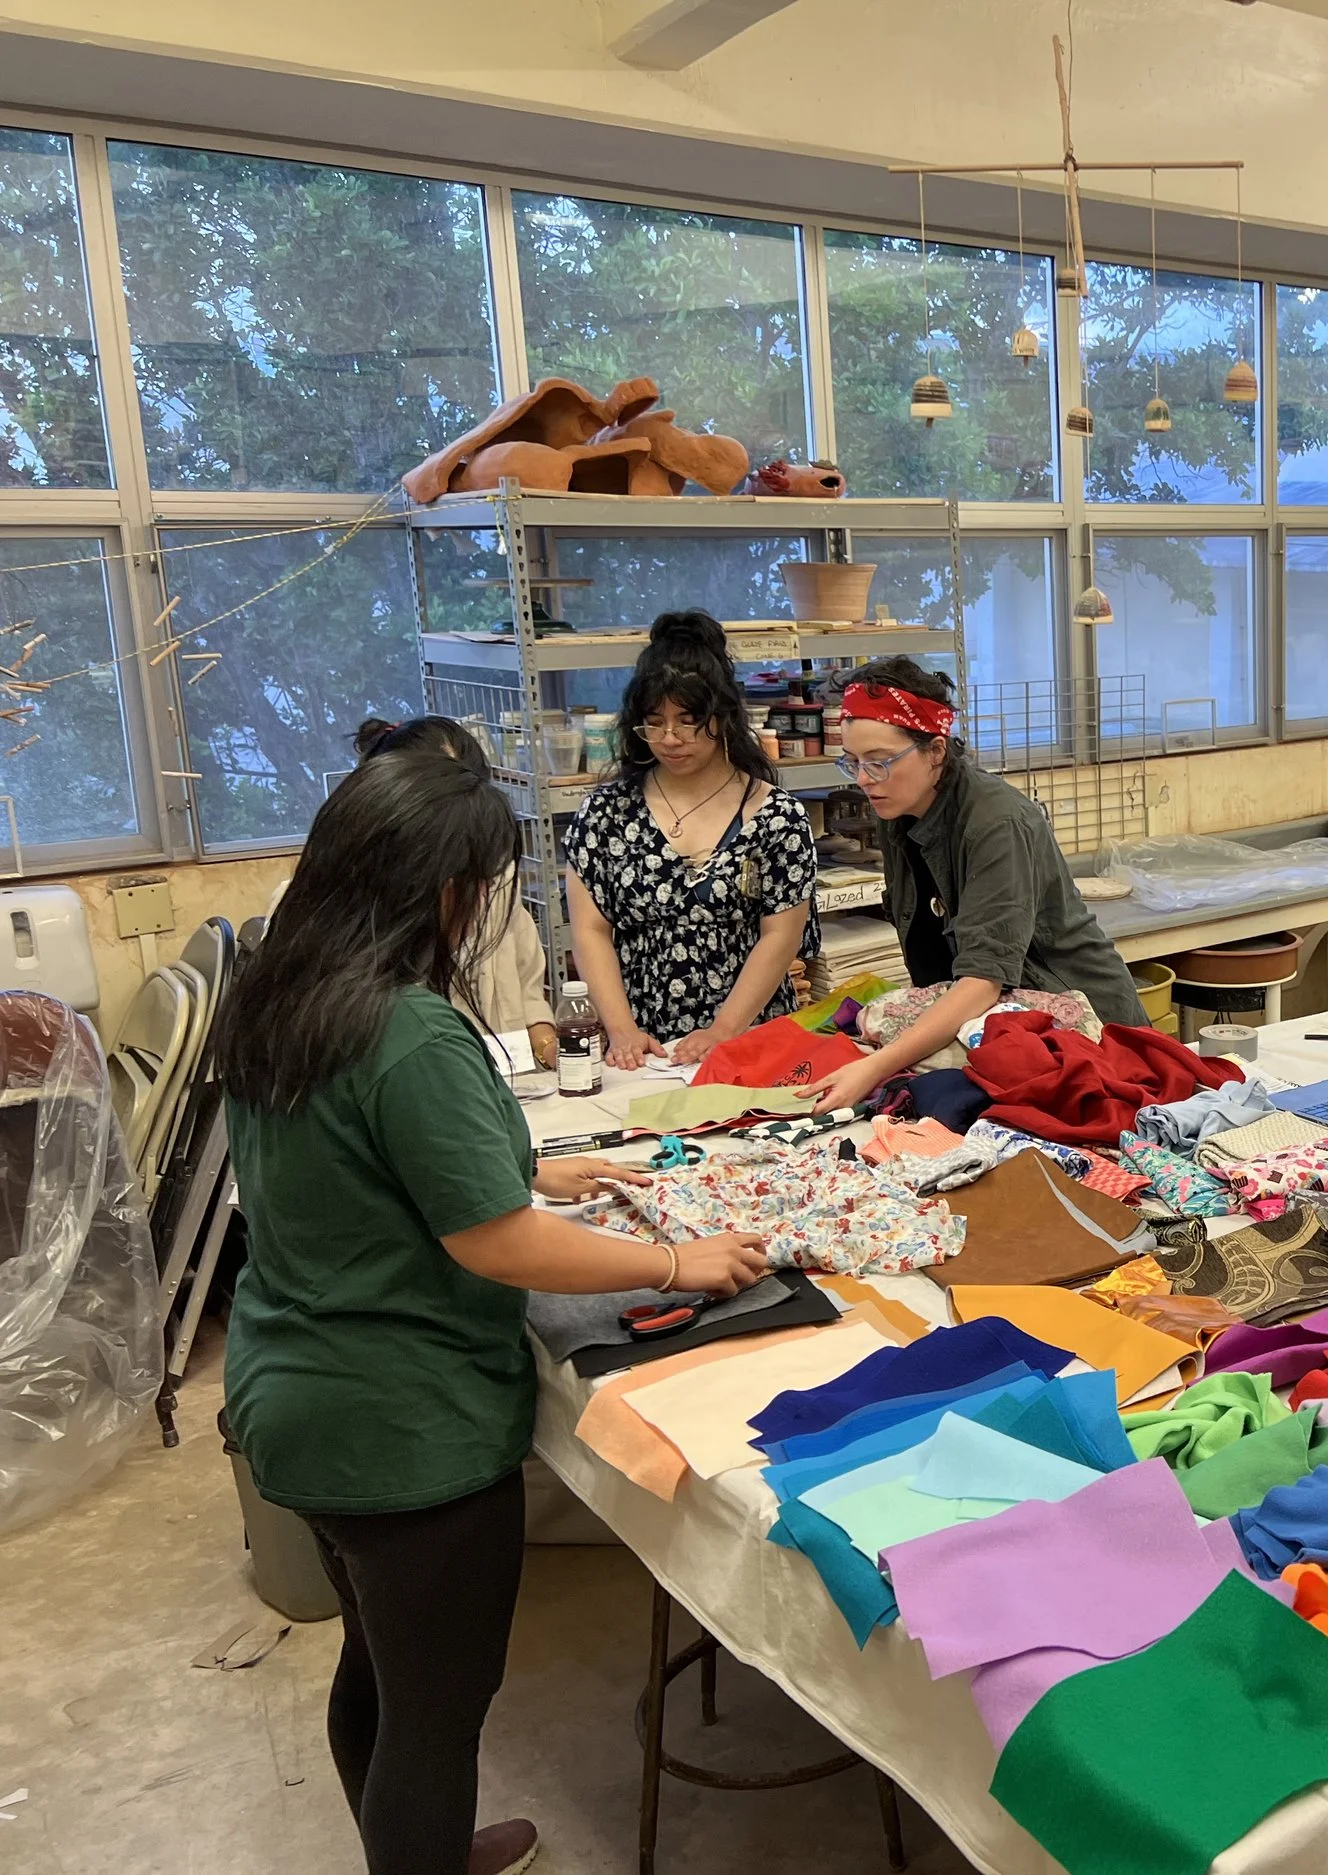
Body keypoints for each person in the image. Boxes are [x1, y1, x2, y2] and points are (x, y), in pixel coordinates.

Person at [217, 749, 769, 1875]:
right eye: (482, 885)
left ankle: (419, 1850)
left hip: (292, 1394)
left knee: (378, 1666)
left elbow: (361, 1167)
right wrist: (676, 1263)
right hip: (400, 1426)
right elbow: (495, 1243)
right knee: (437, 1711)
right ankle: (420, 1853)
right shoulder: (410, 1029)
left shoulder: (280, 996)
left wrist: (522, 1169)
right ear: (442, 890)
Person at [805, 656, 1148, 1113]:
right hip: (993, 1026)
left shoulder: (995, 823)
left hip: (1087, 1029)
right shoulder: (897, 809)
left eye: (880, 762)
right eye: (853, 763)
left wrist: (876, 1066)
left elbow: (983, 980)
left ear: (935, 751)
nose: (865, 780)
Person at [563, 611, 819, 1069]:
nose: (670, 738)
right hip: (644, 1043)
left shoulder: (778, 817)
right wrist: (621, 1030)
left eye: (687, 721)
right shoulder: (605, 814)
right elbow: (590, 930)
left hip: (749, 1034)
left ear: (723, 716)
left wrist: (724, 1030)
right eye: (654, 722)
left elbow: (781, 936)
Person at [345, 716, 558, 1069]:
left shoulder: (495, 876)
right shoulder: (341, 907)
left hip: (503, 1077)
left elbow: (529, 994)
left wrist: (552, 1051)